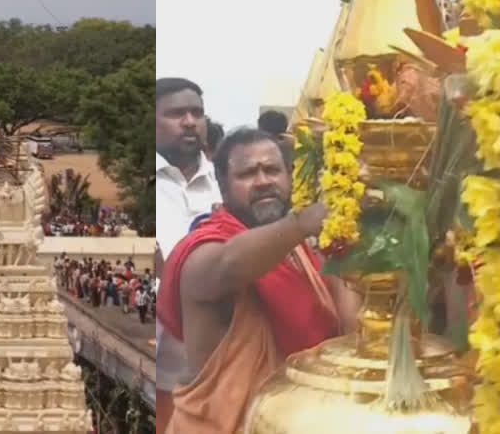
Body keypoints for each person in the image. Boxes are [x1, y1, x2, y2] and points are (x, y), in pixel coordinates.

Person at [155, 128, 362, 433]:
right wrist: (302, 222)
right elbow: (228, 265)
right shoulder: (204, 250)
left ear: (289, 177)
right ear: (223, 187)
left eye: (272, 170)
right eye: (248, 173)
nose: (263, 181)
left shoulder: (300, 250)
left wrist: (345, 247)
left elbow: (349, 330)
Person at [154, 77, 220, 433]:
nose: (190, 121)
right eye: (177, 113)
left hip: (227, 360)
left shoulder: (228, 182)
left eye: (197, 113)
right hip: (168, 368)